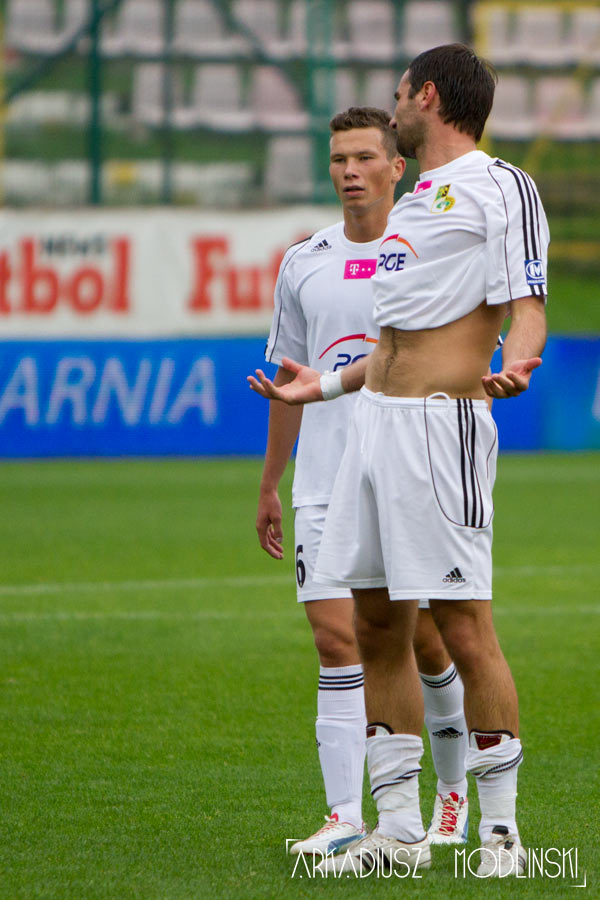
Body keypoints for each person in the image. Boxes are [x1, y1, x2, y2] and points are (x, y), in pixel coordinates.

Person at [249, 45, 549, 878]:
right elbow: (392, 343)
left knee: (463, 625)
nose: (392, 110)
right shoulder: (415, 204)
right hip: (372, 427)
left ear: (429, 96)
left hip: (439, 429)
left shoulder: (501, 185)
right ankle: (396, 834)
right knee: (378, 624)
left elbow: (527, 301)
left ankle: (501, 836)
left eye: (398, 96)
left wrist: (522, 360)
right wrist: (323, 386)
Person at [257, 106, 470, 861]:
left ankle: (452, 793)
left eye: (363, 157)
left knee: (424, 639)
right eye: (338, 159)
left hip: (406, 469)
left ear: (396, 166)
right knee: (334, 637)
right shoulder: (304, 261)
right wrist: (271, 482)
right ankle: (346, 815)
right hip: (322, 477)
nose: (349, 171)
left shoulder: (425, 249)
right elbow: (289, 378)